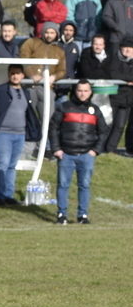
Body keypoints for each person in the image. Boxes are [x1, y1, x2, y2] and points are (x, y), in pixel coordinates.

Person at [49, 80, 107, 225]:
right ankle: (62, 214)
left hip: (86, 155)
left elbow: (103, 132)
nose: (83, 93)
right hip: (66, 154)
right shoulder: (64, 107)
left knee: (85, 185)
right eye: (80, 90)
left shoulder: (95, 110)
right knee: (63, 185)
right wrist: (56, 148)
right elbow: (53, 128)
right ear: (75, 91)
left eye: (86, 91)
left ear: (90, 92)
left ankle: (83, 215)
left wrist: (95, 150)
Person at [0, 65, 41, 206]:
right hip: (3, 133)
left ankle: (8, 195)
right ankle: (0, 196)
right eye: (12, 73)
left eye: (18, 73)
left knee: (12, 166)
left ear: (23, 76)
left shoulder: (26, 92)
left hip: (20, 134)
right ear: (9, 75)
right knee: (2, 163)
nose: (15, 76)